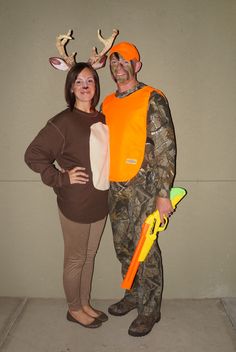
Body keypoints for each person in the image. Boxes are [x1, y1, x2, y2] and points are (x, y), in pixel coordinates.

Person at [25, 62, 110, 328]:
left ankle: (84, 303)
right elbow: (33, 155)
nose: (85, 86)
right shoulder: (63, 121)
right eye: (79, 82)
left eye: (90, 81)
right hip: (75, 203)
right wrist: (61, 177)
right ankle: (74, 309)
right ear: (71, 88)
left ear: (96, 85)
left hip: (101, 201)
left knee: (89, 256)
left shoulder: (103, 118)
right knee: (75, 259)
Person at [102, 42, 176, 337]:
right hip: (114, 186)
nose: (118, 67)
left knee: (145, 249)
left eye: (125, 61)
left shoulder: (151, 98)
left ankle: (150, 309)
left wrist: (163, 193)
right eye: (113, 62)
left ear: (137, 65)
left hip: (144, 187)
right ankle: (132, 294)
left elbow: (166, 148)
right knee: (123, 247)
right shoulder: (107, 102)